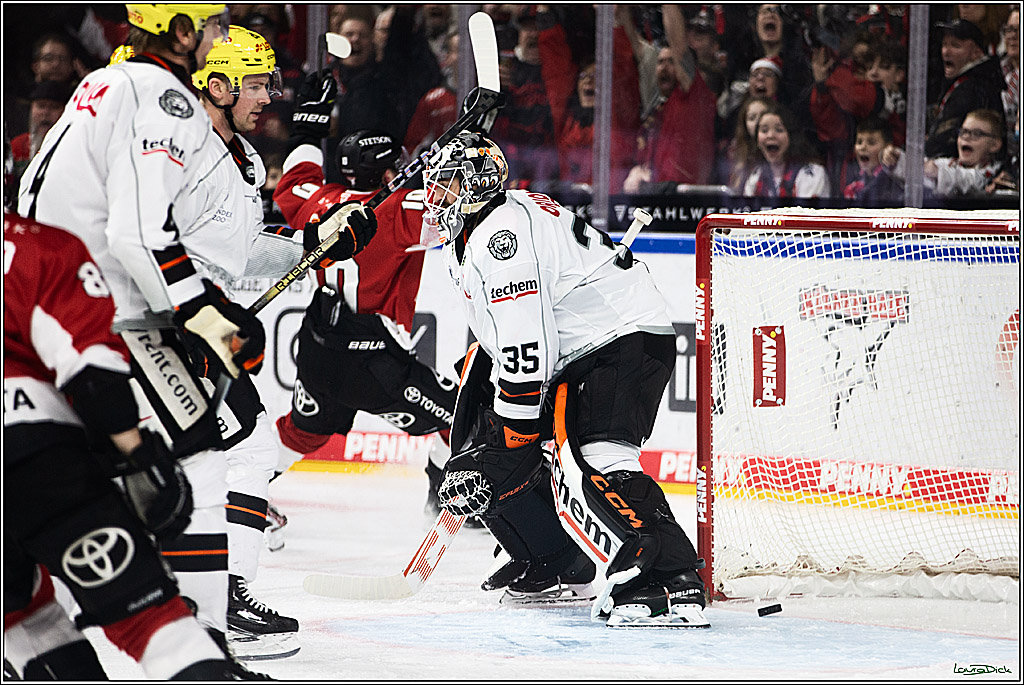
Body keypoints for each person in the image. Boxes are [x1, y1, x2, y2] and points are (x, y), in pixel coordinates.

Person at [15, 4, 278, 676]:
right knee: (197, 459)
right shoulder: (166, 96)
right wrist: (204, 311)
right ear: (184, 33)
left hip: (41, 301)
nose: (222, 37)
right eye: (215, 25)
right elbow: (138, 234)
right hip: (95, 309)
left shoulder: (107, 79)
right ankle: (200, 645)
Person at [423, 131, 709, 628]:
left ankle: (671, 579)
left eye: (447, 185)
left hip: (620, 340)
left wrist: (514, 430)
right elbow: (506, 339)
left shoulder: (501, 237)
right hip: (587, 348)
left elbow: (528, 343)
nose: (436, 198)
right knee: (485, 458)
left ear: (477, 186)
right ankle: (555, 559)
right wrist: (496, 429)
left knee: (599, 458)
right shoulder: (477, 229)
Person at [3, 212, 236, 680]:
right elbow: (92, 374)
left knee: (26, 620)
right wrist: (137, 454)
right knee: (156, 627)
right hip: (36, 456)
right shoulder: (36, 245)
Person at [189, 25, 332, 660]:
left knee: (243, 449)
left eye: (268, 82)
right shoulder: (180, 149)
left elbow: (242, 251)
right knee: (227, 452)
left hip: (200, 331)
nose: (266, 95)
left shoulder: (245, 159)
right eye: (254, 83)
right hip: (159, 329)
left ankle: (221, 595)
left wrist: (311, 246)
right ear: (216, 86)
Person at [272, 71, 455, 528]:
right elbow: (457, 213)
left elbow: (294, 180)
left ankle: (240, 491)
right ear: (391, 171)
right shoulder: (398, 211)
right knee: (461, 417)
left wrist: (308, 128)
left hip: (319, 345)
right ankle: (447, 494)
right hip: (374, 363)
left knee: (303, 432)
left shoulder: (319, 201)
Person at [624, 4, 717, 191]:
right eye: (660, 62)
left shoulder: (694, 98)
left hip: (686, 202)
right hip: (656, 200)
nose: (664, 67)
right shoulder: (657, 111)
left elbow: (679, 45)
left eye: (671, 62)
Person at [926, 19, 1007, 159]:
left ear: (976, 53)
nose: (945, 51)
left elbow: (940, 144)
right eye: (944, 44)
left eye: (955, 46)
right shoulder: (961, 82)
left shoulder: (976, 88)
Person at [883, 108, 1008, 198]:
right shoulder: (947, 163)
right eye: (963, 131)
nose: (966, 137)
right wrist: (896, 159)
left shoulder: (995, 173)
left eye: (977, 134)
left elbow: (967, 180)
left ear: (995, 145)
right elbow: (921, 171)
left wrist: (938, 172)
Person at [744, 105, 831, 198]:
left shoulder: (813, 173)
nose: (770, 135)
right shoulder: (755, 175)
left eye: (779, 130)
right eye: (764, 130)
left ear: (791, 136)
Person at [8, 80, 73, 183]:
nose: (45, 113)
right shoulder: (18, 146)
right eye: (41, 106)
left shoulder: (71, 146)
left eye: (54, 107)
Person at [839, 116, 902, 203]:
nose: (862, 147)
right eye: (859, 142)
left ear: (887, 147)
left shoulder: (894, 178)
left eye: (871, 142)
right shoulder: (854, 182)